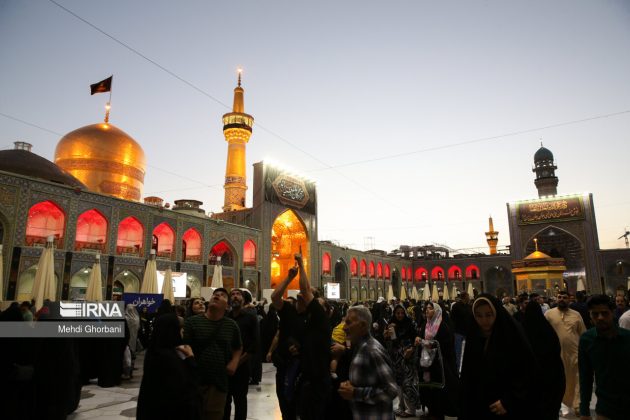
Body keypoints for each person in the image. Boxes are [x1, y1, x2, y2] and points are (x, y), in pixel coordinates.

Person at [460, 294, 541, 419]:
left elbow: (526, 371)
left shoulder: (510, 335)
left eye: (488, 315)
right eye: (479, 316)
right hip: (480, 406)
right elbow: (469, 374)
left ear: (496, 313)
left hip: (507, 407)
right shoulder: (474, 336)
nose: (484, 320)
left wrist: (509, 401)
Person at [271, 254, 331, 420]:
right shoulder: (290, 311)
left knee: (299, 408)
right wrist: (289, 277)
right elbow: (275, 297)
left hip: (304, 372)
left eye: (311, 294)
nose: (305, 293)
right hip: (285, 367)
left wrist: (302, 265)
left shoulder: (313, 319)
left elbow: (305, 290)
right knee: (286, 407)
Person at [184, 287, 242, 420]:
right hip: (195, 380)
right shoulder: (192, 322)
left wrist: (234, 362)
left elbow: (238, 347)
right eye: (215, 294)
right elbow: (184, 346)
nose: (216, 296)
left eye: (222, 296)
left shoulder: (231, 325)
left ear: (227, 306)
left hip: (218, 382)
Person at [338, 305, 399, 420]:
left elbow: (391, 390)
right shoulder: (360, 347)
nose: (344, 327)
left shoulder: (372, 350)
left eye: (348, 322)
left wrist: (356, 393)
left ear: (363, 325)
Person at [137, 313, 201, 420]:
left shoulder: (154, 352)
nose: (183, 331)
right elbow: (188, 389)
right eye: (180, 328)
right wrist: (190, 359)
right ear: (172, 330)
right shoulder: (169, 359)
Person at [578, 294, 630, 420]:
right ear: (590, 317)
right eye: (595, 314)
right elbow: (585, 377)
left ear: (612, 313)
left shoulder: (627, 338)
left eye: (604, 313)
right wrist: (584, 411)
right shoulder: (587, 340)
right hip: (605, 407)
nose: (600, 318)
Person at [545, 290, 586, 416]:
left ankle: (578, 404)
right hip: (556, 354)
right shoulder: (549, 314)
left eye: (564, 297)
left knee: (577, 378)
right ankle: (562, 404)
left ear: (569, 299)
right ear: (556, 299)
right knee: (561, 380)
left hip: (574, 352)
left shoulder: (576, 315)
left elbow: (583, 333)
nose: (561, 299)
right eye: (559, 297)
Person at [522, 300, 565, 420]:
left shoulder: (522, 331)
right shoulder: (548, 330)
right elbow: (556, 350)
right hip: (551, 379)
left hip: (530, 383)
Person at [415, 301, 458, 420]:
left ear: (437, 311)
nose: (427, 310)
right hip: (426, 362)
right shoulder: (425, 325)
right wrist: (419, 340)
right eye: (426, 308)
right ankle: (431, 410)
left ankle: (438, 413)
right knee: (427, 386)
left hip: (439, 363)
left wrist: (429, 343)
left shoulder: (442, 326)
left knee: (437, 388)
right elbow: (421, 338)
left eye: (430, 308)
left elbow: (446, 344)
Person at [224, 288, 259, 420]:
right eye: (232, 294)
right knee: (225, 401)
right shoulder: (226, 318)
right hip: (225, 366)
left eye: (238, 294)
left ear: (243, 299)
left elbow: (255, 345)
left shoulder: (250, 318)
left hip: (242, 366)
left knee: (240, 401)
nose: (235, 297)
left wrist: (238, 363)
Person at [384, 305, 418, 417]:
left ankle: (411, 409)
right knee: (398, 382)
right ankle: (401, 406)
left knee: (408, 382)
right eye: (397, 313)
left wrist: (411, 349)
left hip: (407, 356)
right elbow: (388, 341)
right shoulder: (391, 323)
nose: (400, 315)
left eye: (402, 313)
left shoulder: (409, 324)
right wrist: (386, 334)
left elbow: (415, 339)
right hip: (395, 357)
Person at [449, 291, 473, 373]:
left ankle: (468, 368)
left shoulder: (469, 306)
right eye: (468, 296)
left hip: (467, 332)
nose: (469, 298)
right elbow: (452, 319)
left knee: (469, 351)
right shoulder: (456, 306)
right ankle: (457, 369)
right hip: (458, 332)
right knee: (458, 352)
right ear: (465, 297)